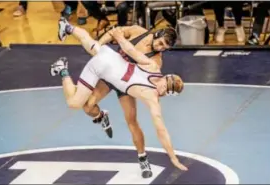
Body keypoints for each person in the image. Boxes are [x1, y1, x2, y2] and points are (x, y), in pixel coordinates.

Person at [51, 17, 188, 176]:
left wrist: (173, 157)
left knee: (131, 120)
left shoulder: (156, 62)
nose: (161, 47)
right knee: (87, 107)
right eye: (161, 43)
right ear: (157, 34)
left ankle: (143, 159)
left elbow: (161, 129)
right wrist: (103, 44)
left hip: (120, 79)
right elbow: (123, 43)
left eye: (165, 47)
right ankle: (101, 116)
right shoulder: (139, 32)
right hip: (109, 70)